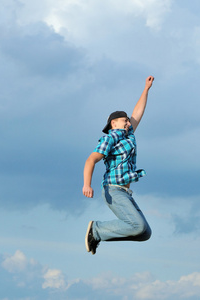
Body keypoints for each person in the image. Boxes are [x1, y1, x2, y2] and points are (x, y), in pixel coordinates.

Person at [82, 76, 154, 255]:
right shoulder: (110, 137)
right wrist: (86, 184)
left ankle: (99, 234)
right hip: (113, 190)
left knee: (145, 232)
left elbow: (138, 113)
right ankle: (96, 230)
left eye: (128, 121)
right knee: (137, 226)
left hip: (125, 192)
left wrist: (146, 89)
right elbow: (91, 159)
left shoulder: (129, 135)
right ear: (114, 123)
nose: (128, 123)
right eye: (125, 121)